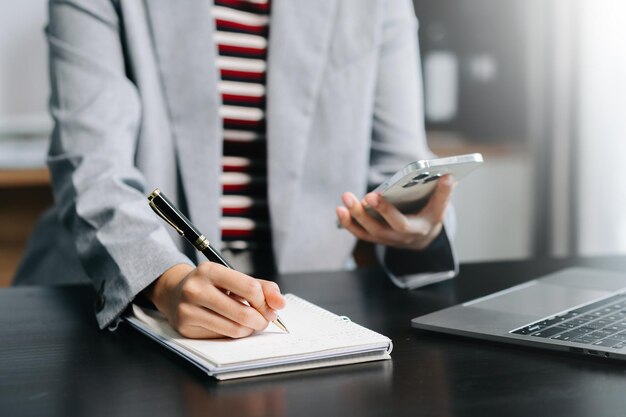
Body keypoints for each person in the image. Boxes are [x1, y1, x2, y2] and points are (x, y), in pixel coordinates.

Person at [14, 0, 457, 339]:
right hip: (108, 295)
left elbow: (400, 162)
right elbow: (93, 166)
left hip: (298, 310)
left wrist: (418, 229)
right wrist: (164, 281)